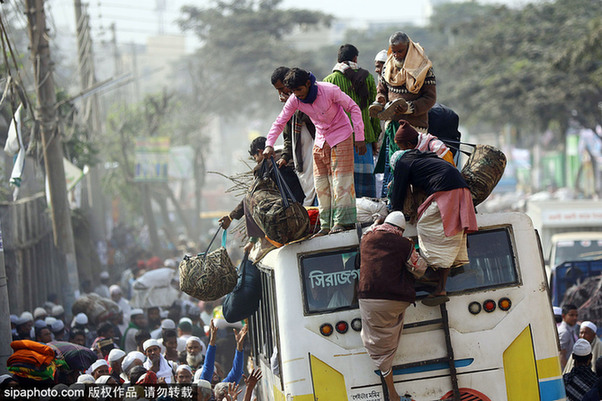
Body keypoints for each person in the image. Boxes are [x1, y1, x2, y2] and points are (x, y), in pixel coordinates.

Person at [264, 67, 366, 236]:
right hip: (321, 139)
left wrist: (360, 136)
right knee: (321, 184)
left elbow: (353, 108)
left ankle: (343, 222)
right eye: (293, 92)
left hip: (341, 134)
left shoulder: (329, 90)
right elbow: (280, 122)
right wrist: (269, 144)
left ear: (308, 83)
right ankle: (325, 225)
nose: (298, 95)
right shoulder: (295, 100)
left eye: (299, 90)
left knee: (341, 180)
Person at [389, 148, 477, 306]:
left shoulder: (403, 162)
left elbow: (398, 192)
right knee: (450, 235)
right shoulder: (426, 159)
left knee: (426, 226)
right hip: (462, 192)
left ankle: (431, 273)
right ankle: (440, 287)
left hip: (447, 191)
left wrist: (392, 214)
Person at [358, 211, 424, 401]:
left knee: (380, 346)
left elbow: (371, 227)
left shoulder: (367, 238)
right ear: (400, 230)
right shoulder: (404, 244)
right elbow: (419, 268)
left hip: (368, 298)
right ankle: (393, 395)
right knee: (391, 332)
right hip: (397, 300)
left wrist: (378, 219)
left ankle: (392, 390)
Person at [372, 31, 437, 197]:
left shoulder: (424, 68)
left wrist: (409, 107)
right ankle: (393, 203)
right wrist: (380, 100)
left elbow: (430, 99)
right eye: (393, 51)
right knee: (393, 167)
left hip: (415, 127)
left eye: (400, 51)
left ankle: (411, 205)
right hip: (392, 125)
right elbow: (382, 90)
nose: (396, 54)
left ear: (408, 48)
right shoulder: (388, 66)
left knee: (410, 168)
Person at [219, 136, 305, 251]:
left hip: (284, 212)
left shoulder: (262, 167)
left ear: (260, 152)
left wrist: (231, 217)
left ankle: (259, 241)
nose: (257, 161)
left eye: (255, 158)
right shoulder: (287, 158)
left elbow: (251, 197)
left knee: (251, 198)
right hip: (302, 205)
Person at [323, 44, 381, 198]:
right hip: (365, 138)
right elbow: (374, 111)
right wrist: (374, 136)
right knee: (365, 184)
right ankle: (366, 215)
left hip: (340, 139)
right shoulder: (367, 78)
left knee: (343, 181)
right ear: (355, 58)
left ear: (338, 59)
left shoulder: (329, 81)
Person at [271, 66, 317, 206]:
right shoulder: (290, 103)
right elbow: (287, 134)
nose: (280, 93)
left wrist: (295, 103)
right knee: (308, 183)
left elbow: (314, 117)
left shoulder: (308, 94)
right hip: (300, 150)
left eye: (281, 88)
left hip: (315, 142)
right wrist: (285, 156)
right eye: (277, 90)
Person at [199, 319, 246, 385]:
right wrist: (212, 341)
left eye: (217, 372)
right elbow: (208, 368)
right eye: (213, 372)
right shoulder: (204, 390)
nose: (215, 374)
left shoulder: (222, 387)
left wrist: (239, 347)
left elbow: (237, 372)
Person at [558, 304, 579, 370]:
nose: (575, 318)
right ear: (563, 316)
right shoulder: (564, 332)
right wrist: (569, 371)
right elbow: (561, 355)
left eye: (576, 315)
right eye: (571, 315)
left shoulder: (570, 330)